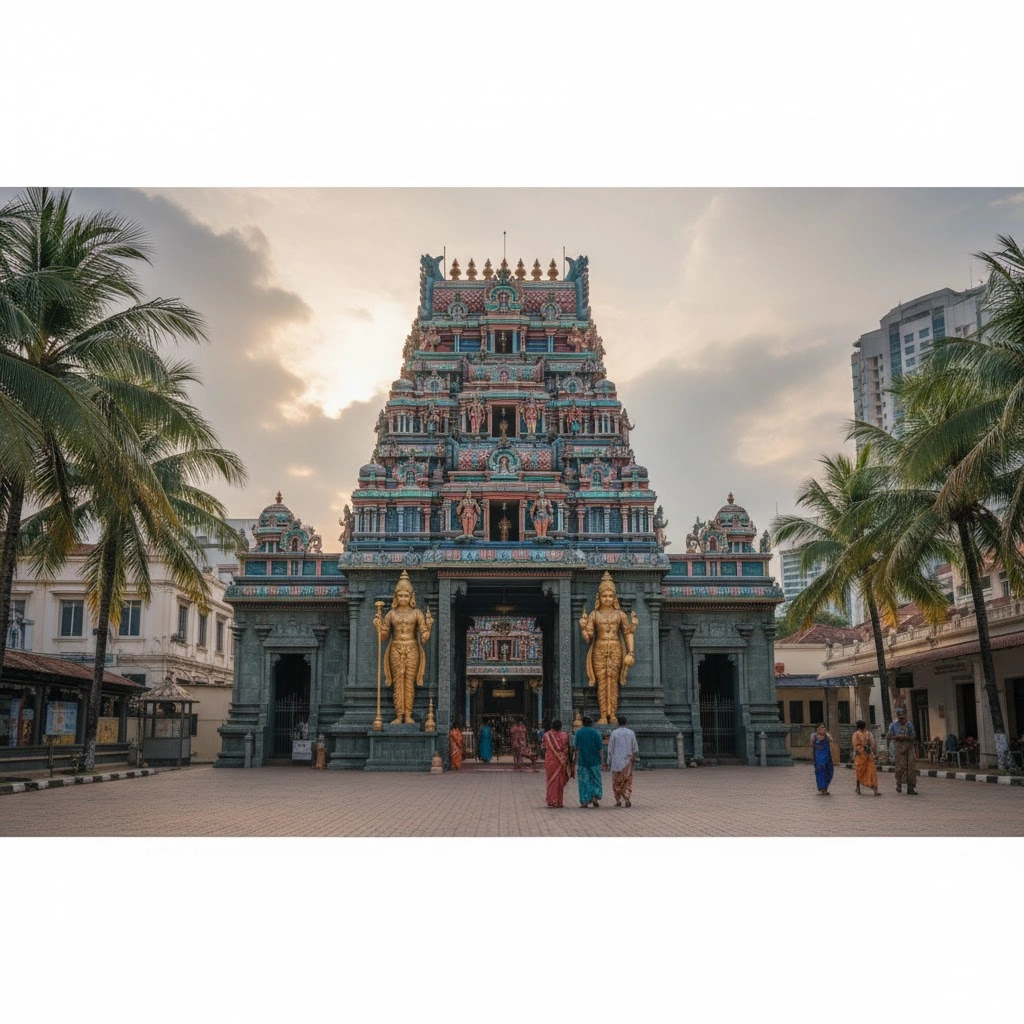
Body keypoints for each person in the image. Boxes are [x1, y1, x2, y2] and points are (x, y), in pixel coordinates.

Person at [373, 570, 434, 725]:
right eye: (400, 595)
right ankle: (399, 715)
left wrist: (428, 628)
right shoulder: (391, 614)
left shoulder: (417, 613)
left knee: (409, 682)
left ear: (411, 596)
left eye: (406, 595)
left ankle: (408, 715)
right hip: (396, 648)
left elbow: (424, 635)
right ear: (396, 596)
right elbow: (384, 635)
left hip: (412, 648)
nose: (403, 598)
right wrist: (379, 626)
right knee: (398, 681)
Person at [579, 572, 638, 724]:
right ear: (599, 597)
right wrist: (583, 628)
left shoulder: (620, 615)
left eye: (610, 596)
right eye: (604, 595)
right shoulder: (594, 614)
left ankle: (613, 715)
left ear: (615, 597)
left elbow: (628, 632)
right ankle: (603, 715)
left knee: (613, 681)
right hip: (599, 649)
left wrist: (631, 652)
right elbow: (588, 638)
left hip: (615, 649)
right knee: (602, 682)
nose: (607, 599)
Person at [607, 715, 639, 807]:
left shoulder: (614, 733)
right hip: (627, 761)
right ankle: (627, 798)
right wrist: (634, 758)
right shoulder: (631, 733)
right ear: (626, 723)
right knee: (627, 780)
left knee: (616, 781)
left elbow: (610, 749)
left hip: (616, 761)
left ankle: (618, 800)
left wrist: (608, 761)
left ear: (617, 723)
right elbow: (635, 748)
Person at [573, 716, 604, 808]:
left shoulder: (579, 733)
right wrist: (601, 760)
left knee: (584, 781)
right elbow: (600, 748)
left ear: (582, 723)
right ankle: (595, 795)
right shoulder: (595, 733)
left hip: (583, 761)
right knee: (596, 780)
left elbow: (575, 748)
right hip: (595, 760)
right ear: (591, 723)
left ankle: (584, 801)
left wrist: (575, 760)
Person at [543, 719, 573, 808]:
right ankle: (559, 801)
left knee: (551, 780)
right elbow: (567, 748)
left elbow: (544, 746)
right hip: (562, 761)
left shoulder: (547, 735)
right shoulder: (564, 735)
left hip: (550, 760)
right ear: (561, 726)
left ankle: (551, 800)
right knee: (559, 781)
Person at [888, 707, 918, 795]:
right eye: (900, 715)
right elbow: (889, 736)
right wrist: (896, 737)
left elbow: (913, 736)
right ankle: (899, 784)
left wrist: (906, 737)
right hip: (899, 747)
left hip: (909, 747)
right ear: (897, 716)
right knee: (900, 766)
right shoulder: (893, 725)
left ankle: (911, 787)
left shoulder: (909, 725)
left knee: (911, 766)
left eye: (903, 715)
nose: (902, 718)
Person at [852, 719, 880, 796]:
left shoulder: (856, 734)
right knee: (872, 772)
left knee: (859, 772)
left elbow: (854, 745)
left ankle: (858, 788)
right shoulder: (869, 734)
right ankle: (875, 790)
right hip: (868, 755)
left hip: (860, 755)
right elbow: (872, 744)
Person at [811, 722, 835, 796]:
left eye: (823, 727)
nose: (822, 729)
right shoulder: (814, 735)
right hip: (818, 757)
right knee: (820, 772)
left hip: (827, 757)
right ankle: (821, 788)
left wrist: (825, 735)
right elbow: (811, 745)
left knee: (829, 771)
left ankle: (825, 788)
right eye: (820, 728)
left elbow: (832, 740)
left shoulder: (827, 734)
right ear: (817, 729)